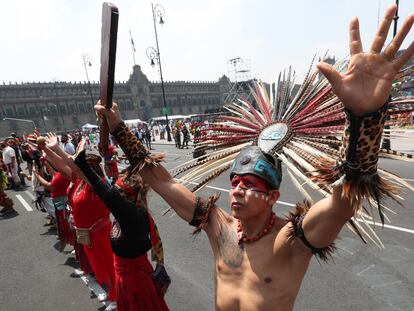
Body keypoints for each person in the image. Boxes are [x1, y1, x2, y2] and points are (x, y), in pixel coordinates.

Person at [95, 6, 414, 310]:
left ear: (274, 196)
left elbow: (343, 202)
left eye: (249, 184)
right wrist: (119, 128)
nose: (236, 190)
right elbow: (160, 180)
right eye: (235, 182)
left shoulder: (291, 241)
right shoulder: (218, 227)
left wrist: (365, 118)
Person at [74, 150, 170, 311]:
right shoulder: (129, 212)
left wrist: (83, 164)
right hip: (125, 281)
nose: (114, 193)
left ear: (128, 197)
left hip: (137, 284)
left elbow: (107, 194)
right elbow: (105, 190)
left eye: (118, 192)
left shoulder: (133, 216)